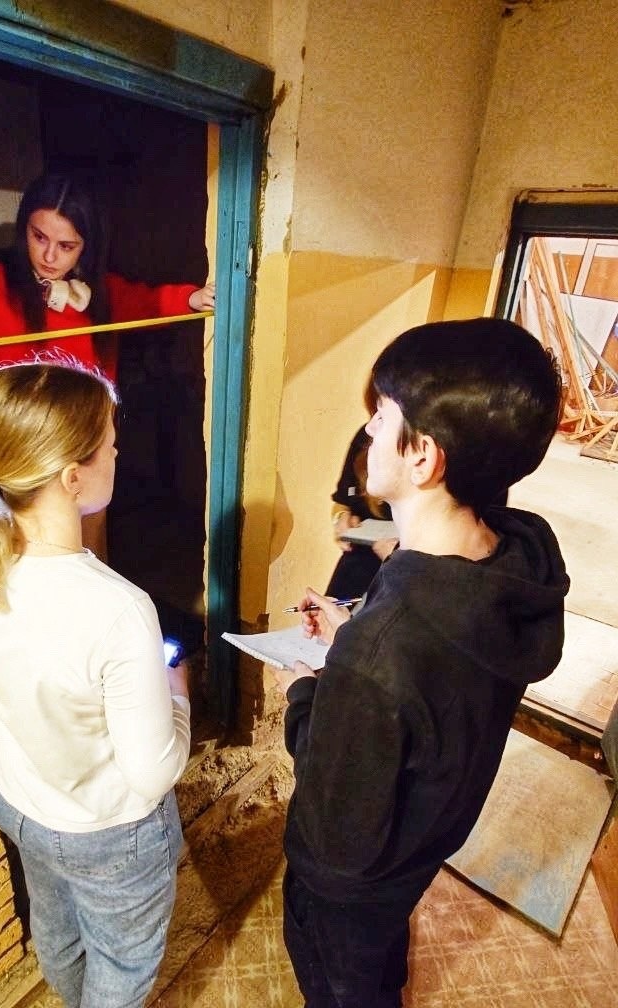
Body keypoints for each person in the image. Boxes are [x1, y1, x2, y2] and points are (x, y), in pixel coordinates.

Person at [272, 317, 569, 1007]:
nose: (369, 429)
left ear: (424, 458)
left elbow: (339, 837)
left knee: (343, 985)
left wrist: (308, 691)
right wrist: (357, 632)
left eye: (381, 416)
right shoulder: (517, 555)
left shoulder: (380, 654)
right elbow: (429, 670)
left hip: (350, 888)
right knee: (380, 964)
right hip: (424, 844)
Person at [0, 358, 191, 1008]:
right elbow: (152, 773)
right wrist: (177, 689)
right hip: (105, 830)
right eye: (109, 443)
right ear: (72, 476)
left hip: (19, 799)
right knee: (123, 964)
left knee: (56, 932)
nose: (118, 452)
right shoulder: (119, 609)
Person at [0, 169, 214, 553]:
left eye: (67, 245)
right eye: (39, 237)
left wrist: (190, 299)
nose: (49, 256)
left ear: (86, 247)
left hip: (86, 462)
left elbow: (145, 302)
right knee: (26, 562)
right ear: (23, 229)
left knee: (89, 558)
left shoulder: (97, 293)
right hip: (23, 469)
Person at [326, 424, 395, 600]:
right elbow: (343, 502)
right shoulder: (367, 435)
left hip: (407, 576)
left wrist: (398, 558)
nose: (372, 426)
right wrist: (341, 518)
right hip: (357, 566)